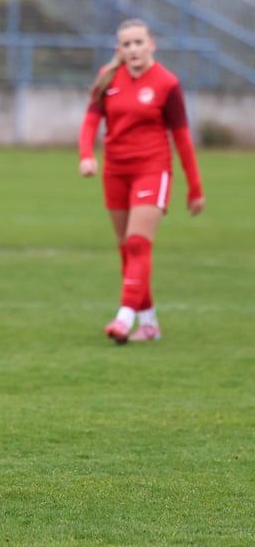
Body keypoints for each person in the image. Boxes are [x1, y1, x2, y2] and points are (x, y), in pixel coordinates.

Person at [77, 18, 205, 344]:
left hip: (153, 169)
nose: (133, 49)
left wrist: (195, 188)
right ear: (119, 49)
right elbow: (90, 122)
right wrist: (86, 155)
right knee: (126, 251)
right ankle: (149, 325)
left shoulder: (167, 83)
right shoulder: (108, 78)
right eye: (127, 44)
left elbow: (183, 139)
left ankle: (124, 318)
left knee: (137, 244)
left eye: (139, 42)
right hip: (115, 171)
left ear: (152, 45)